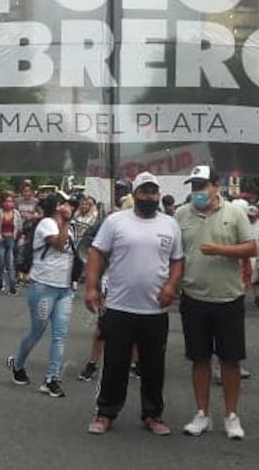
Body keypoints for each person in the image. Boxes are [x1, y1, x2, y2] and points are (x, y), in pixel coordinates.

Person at [85, 172, 184, 435]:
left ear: (158, 195)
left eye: (153, 192)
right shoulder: (115, 221)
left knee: (153, 367)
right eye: (144, 192)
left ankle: (153, 415)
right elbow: (97, 253)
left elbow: (177, 260)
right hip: (119, 306)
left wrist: (172, 285)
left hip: (155, 309)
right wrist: (91, 287)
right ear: (135, 194)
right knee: (115, 364)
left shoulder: (170, 224)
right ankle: (105, 413)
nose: (149, 197)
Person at [175, 165, 255, 440]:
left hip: (228, 298)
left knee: (230, 359)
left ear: (215, 186)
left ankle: (231, 416)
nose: (198, 191)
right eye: (194, 186)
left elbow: (251, 247)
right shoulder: (181, 215)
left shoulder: (234, 213)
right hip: (193, 297)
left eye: (202, 185)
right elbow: (174, 254)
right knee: (199, 359)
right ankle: (202, 414)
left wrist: (221, 250)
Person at [6, 191, 76, 398]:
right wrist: (66, 222)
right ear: (57, 207)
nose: (69, 206)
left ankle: (51, 379)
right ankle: (18, 364)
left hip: (64, 289)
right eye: (65, 203)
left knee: (60, 335)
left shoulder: (67, 226)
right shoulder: (47, 224)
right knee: (37, 331)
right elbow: (59, 243)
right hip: (44, 287)